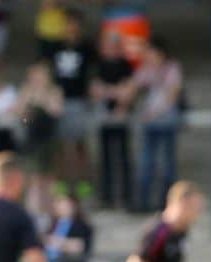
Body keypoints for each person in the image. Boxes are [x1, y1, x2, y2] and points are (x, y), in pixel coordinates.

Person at [126, 38, 183, 212]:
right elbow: (132, 86)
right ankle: (142, 201)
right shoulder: (146, 70)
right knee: (146, 162)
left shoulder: (172, 69)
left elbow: (173, 94)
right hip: (150, 124)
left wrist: (155, 113)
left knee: (168, 165)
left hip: (166, 122)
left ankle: (168, 202)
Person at [50, 8, 95, 195]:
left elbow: (93, 72)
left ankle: (83, 183)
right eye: (68, 24)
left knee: (80, 144)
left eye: (75, 24)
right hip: (59, 101)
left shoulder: (87, 48)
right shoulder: (54, 48)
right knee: (59, 145)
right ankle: (60, 183)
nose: (71, 28)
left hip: (79, 100)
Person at [14, 61, 63, 225]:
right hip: (32, 142)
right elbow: (22, 115)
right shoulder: (27, 92)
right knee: (34, 180)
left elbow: (56, 111)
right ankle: (34, 215)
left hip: (49, 140)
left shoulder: (54, 91)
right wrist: (30, 98)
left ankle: (50, 215)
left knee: (50, 181)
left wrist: (42, 97)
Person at [91, 30, 134, 209]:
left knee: (124, 158)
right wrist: (115, 91)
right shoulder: (99, 65)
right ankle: (106, 197)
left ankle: (126, 197)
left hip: (121, 117)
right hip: (104, 118)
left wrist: (113, 94)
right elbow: (95, 91)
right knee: (105, 159)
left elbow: (128, 92)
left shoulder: (126, 65)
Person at [44, 191, 94, 262]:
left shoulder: (81, 226)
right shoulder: (52, 225)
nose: (61, 207)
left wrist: (59, 243)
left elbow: (80, 247)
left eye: (65, 204)